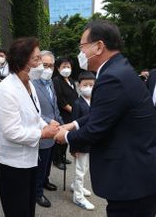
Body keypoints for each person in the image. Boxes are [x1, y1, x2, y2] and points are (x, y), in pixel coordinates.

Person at [54, 20, 156, 217]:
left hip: (135, 182)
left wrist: (64, 137)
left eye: (82, 46)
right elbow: (103, 114)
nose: (80, 52)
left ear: (99, 46)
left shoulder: (112, 77)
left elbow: (95, 129)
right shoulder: (118, 69)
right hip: (142, 174)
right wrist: (73, 124)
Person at [0, 37, 59, 217]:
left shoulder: (29, 84)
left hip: (29, 159)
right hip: (11, 165)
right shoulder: (7, 89)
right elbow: (12, 132)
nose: (41, 65)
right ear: (22, 61)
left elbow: (35, 116)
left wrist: (47, 124)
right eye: (37, 59)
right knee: (17, 211)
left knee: (28, 209)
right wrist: (43, 133)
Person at [32, 50, 64, 208]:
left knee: (49, 161)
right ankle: (37, 193)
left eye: (51, 66)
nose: (48, 69)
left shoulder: (50, 82)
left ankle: (45, 181)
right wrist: (48, 122)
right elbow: (33, 111)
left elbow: (55, 106)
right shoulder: (32, 84)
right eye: (45, 65)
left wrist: (61, 123)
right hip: (43, 131)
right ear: (38, 65)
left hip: (54, 130)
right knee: (41, 164)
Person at [70, 71, 95, 210]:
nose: (89, 87)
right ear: (79, 86)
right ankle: (78, 197)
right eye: (85, 85)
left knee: (84, 168)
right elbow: (74, 127)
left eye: (91, 85)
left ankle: (76, 186)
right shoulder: (77, 103)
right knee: (80, 170)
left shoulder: (95, 101)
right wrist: (74, 147)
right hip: (80, 143)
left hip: (91, 142)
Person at [52, 58, 78, 170]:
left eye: (68, 67)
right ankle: (57, 159)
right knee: (60, 137)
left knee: (67, 136)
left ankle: (62, 156)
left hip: (71, 113)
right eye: (64, 67)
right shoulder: (56, 80)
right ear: (58, 68)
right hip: (63, 112)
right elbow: (60, 99)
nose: (66, 69)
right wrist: (72, 109)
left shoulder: (71, 80)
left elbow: (75, 96)